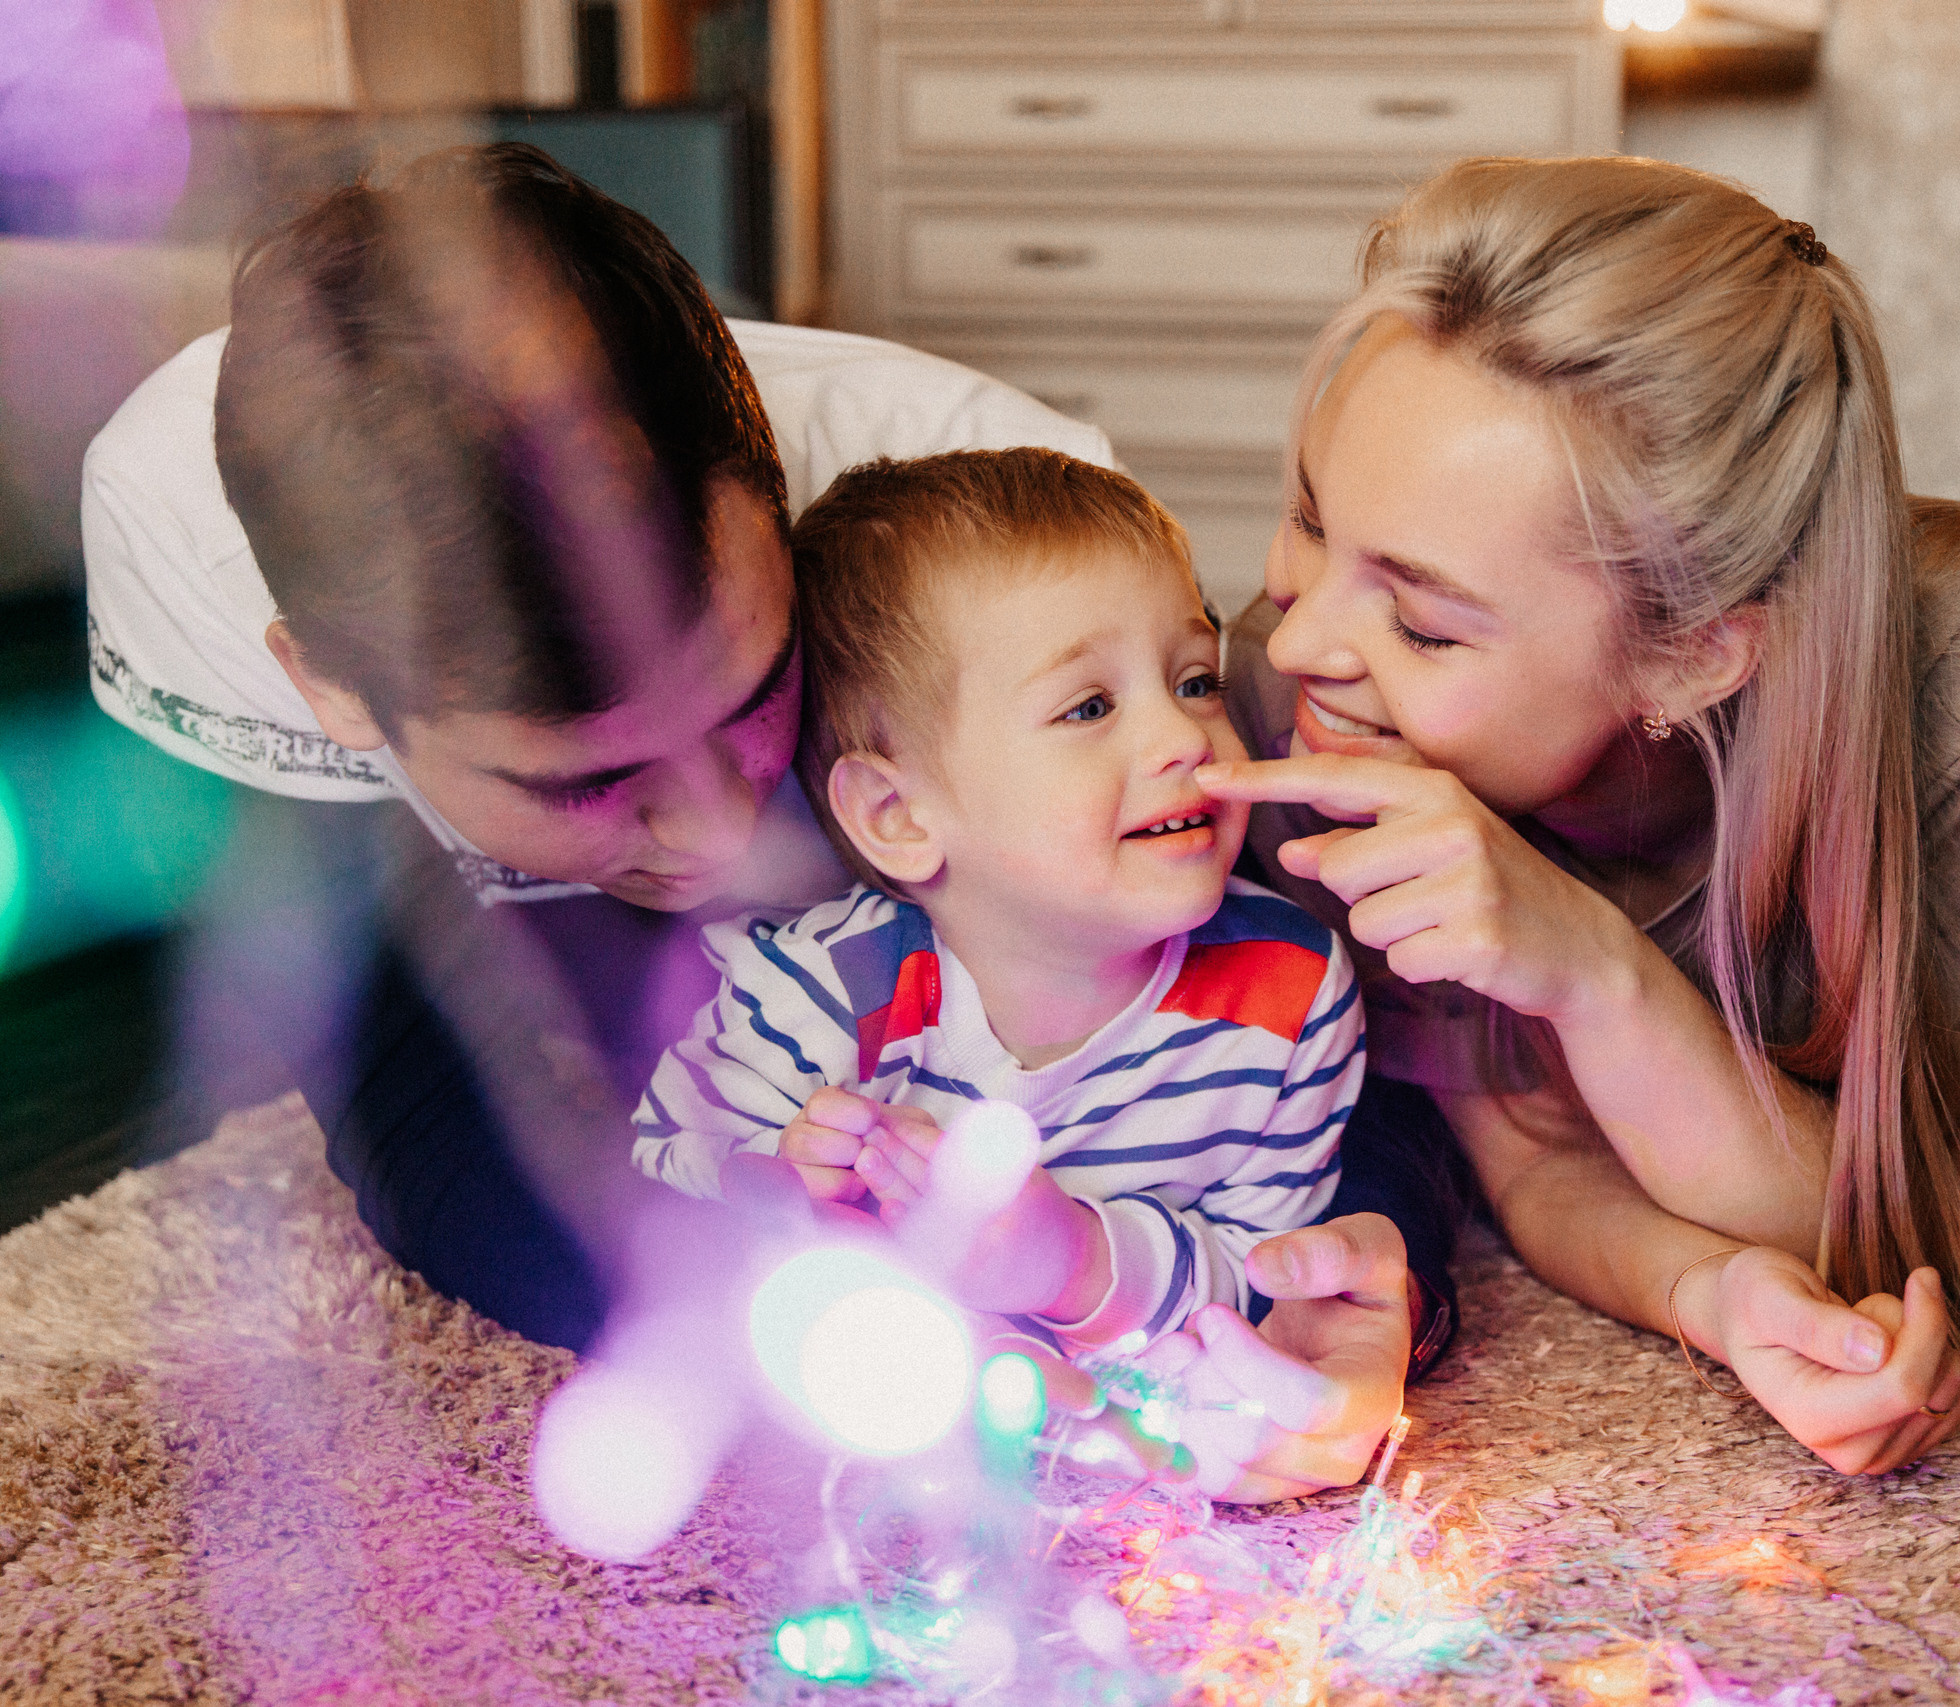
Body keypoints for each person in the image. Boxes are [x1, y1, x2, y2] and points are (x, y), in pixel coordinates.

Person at [80, 143, 1422, 1501]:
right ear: (326, 683)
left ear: (775, 486)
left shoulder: (991, 517)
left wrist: (1367, 1274)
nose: (720, 824)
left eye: (755, 691)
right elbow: (419, 1111)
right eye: (590, 778)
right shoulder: (178, 550)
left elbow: (1332, 1010)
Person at [1196, 156, 1960, 1474]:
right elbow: (1539, 1167)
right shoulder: (1298, 703)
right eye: (1313, 521)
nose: (1301, 636)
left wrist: (1591, 965)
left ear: (1690, 656)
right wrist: (1714, 1299)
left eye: (1422, 620)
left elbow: (1901, 1227)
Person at [633, 447, 1364, 1355]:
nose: (1184, 734)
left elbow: (1271, 1278)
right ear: (899, 815)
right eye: (1089, 706)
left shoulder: (1290, 992)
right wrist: (776, 1178)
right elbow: (657, 1170)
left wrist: (1075, 1261)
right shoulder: (817, 991)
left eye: (1195, 680)